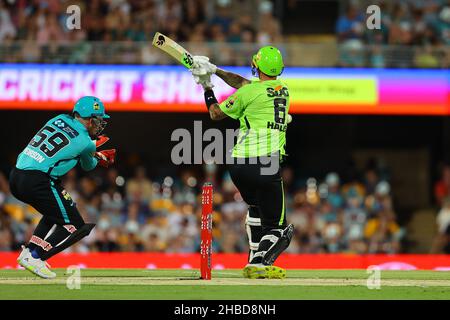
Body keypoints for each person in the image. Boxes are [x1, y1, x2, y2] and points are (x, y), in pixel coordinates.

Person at [190, 46, 294, 279]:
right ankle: (259, 261)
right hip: (266, 163)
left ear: (256, 66)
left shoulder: (248, 92)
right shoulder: (284, 90)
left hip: (237, 166)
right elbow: (245, 84)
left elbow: (215, 113)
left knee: (256, 209)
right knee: (279, 229)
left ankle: (254, 259)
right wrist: (214, 70)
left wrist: (207, 87)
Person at [9, 96, 116, 279]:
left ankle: (29, 252)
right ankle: (36, 257)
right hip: (37, 181)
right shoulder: (85, 141)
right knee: (75, 224)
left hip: (17, 176)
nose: (100, 124)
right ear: (91, 119)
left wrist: (92, 148)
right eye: (99, 120)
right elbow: (87, 165)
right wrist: (98, 156)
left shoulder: (58, 119)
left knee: (55, 213)